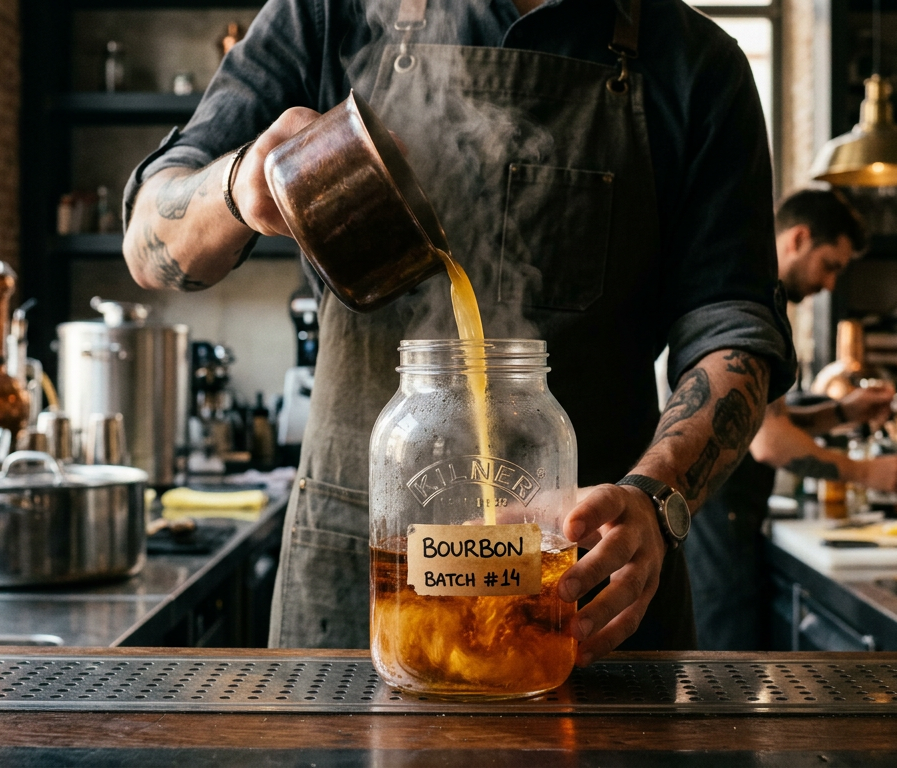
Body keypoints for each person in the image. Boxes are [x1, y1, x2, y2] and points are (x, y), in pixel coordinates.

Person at [121, 0, 797, 662]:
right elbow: (150, 239)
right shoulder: (327, 16)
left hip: (586, 581)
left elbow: (732, 325)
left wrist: (657, 499)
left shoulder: (697, 63)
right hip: (358, 574)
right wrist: (239, 185)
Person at [686, 187, 897, 650]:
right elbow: (769, 442)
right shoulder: (750, 305)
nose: (831, 284)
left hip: (725, 521)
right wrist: (869, 473)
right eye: (830, 265)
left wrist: (843, 412)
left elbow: (758, 419)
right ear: (798, 238)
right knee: (724, 682)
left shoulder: (758, 298)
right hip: (715, 528)